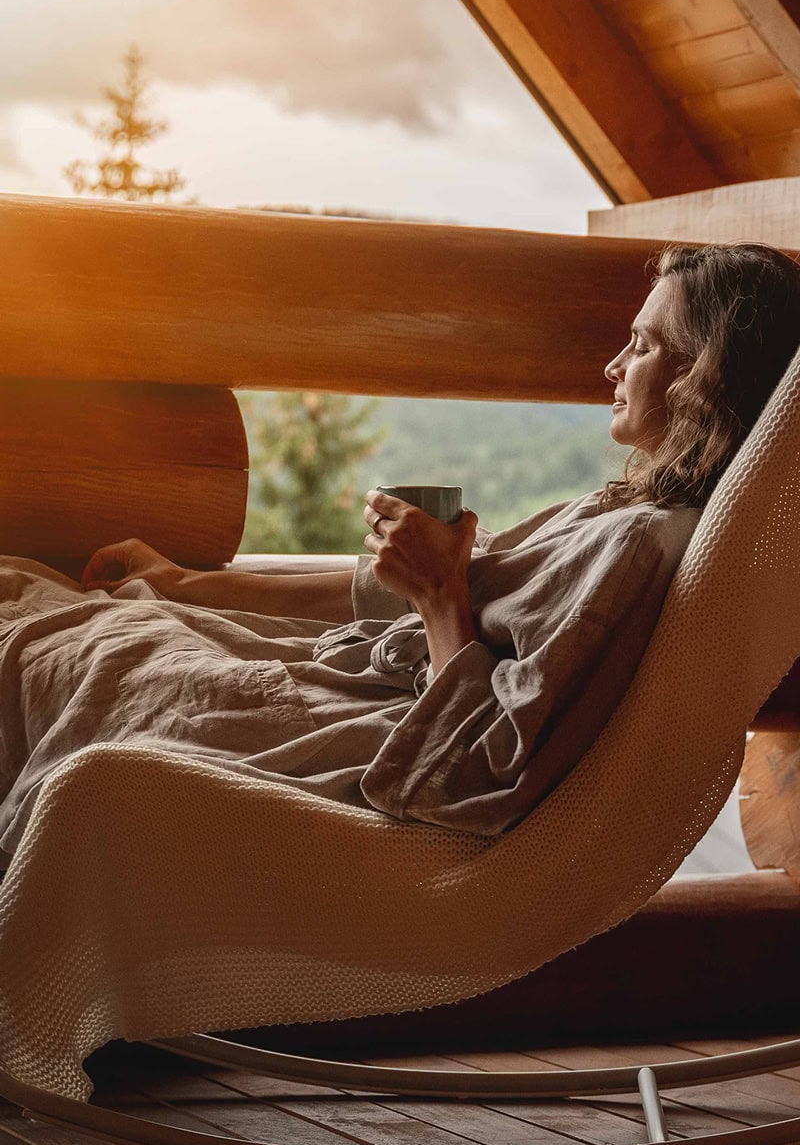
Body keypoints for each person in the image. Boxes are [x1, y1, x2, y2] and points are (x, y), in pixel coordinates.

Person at [0, 241, 797, 860]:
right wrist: (182, 585)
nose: (612, 366)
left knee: (70, 647)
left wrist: (440, 595)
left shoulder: (642, 545)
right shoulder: (630, 512)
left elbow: (482, 770)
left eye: (643, 343)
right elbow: (387, 606)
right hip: (359, 689)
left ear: (704, 375)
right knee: (49, 607)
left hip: (372, 731)